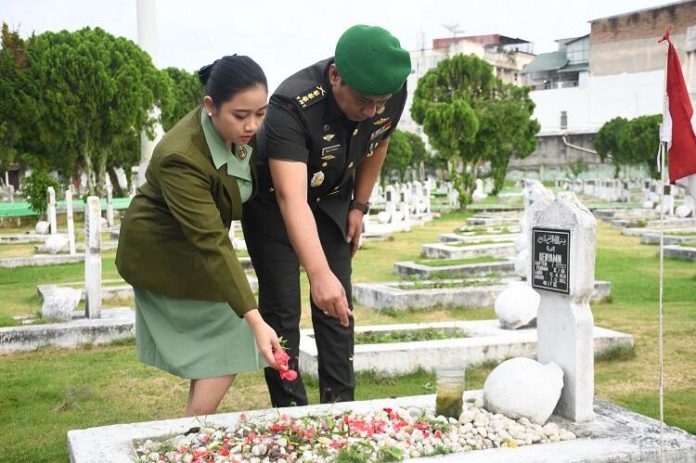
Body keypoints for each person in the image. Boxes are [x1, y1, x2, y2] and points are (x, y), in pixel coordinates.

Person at [242, 25, 411, 406]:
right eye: (365, 101)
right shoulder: (292, 104)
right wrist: (317, 274)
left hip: (333, 200)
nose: (372, 111)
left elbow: (378, 140)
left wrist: (359, 206)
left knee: (338, 307)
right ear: (336, 76)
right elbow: (291, 198)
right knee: (283, 310)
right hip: (274, 206)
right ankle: (290, 411)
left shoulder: (390, 91)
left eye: (380, 102)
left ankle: (340, 406)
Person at [116, 55, 284, 416]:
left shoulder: (238, 134)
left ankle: (189, 432)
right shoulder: (182, 156)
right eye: (241, 116)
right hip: (162, 253)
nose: (252, 125)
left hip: (193, 249)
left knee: (221, 343)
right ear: (210, 106)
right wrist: (254, 319)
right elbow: (210, 240)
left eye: (260, 113)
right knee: (237, 333)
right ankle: (191, 432)